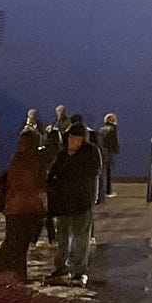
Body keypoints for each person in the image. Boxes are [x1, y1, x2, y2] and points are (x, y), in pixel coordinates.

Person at [47, 118, 101, 285]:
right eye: (69, 137)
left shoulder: (90, 153)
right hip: (62, 203)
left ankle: (79, 270)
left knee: (80, 237)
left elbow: (90, 174)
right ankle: (62, 266)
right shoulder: (63, 153)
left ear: (81, 139)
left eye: (74, 137)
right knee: (62, 236)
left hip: (80, 202)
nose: (71, 140)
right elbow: (53, 173)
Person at [0, 131, 49, 280]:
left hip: (13, 207)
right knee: (21, 246)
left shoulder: (16, 158)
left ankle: (4, 272)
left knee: (11, 240)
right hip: (30, 208)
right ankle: (17, 277)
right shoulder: (36, 160)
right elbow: (39, 184)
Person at [96, 113, 120, 199]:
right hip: (109, 153)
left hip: (101, 152)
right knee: (109, 172)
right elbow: (114, 141)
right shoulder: (113, 129)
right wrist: (116, 150)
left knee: (102, 173)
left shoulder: (101, 129)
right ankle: (108, 191)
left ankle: (101, 191)